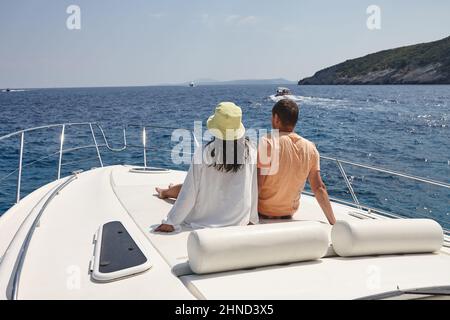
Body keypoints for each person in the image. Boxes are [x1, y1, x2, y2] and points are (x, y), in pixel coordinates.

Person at [154, 102, 259, 233]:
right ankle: (168, 190)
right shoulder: (251, 151)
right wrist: (253, 219)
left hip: (205, 222)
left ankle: (167, 191)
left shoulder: (203, 153)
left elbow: (189, 192)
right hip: (239, 222)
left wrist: (170, 222)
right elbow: (253, 188)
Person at [257, 99, 336, 225]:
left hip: (263, 214)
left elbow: (258, 185)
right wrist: (333, 223)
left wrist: (248, 219)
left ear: (276, 118)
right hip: (288, 216)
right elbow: (319, 188)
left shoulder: (267, 142)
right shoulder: (310, 148)